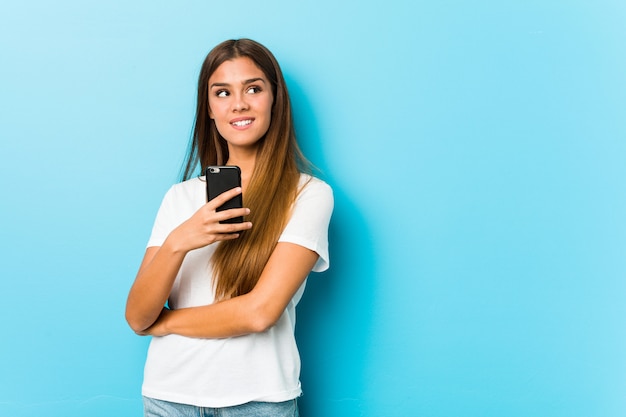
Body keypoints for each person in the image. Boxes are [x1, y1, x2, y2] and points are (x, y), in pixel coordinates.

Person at [125, 38, 333, 417]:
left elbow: (259, 312)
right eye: (223, 92)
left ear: (274, 100)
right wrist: (180, 241)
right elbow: (138, 317)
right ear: (209, 108)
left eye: (253, 88)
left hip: (258, 400)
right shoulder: (180, 198)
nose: (239, 103)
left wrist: (167, 322)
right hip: (169, 398)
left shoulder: (309, 195)